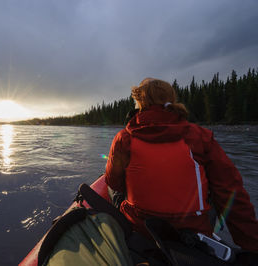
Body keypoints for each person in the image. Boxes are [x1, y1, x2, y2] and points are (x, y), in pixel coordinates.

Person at [105, 78, 258, 255]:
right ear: (171, 101)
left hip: (141, 230)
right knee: (217, 190)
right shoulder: (200, 136)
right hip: (192, 233)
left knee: (113, 186)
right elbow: (231, 191)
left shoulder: (124, 138)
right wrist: (252, 245)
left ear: (140, 102)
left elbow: (113, 182)